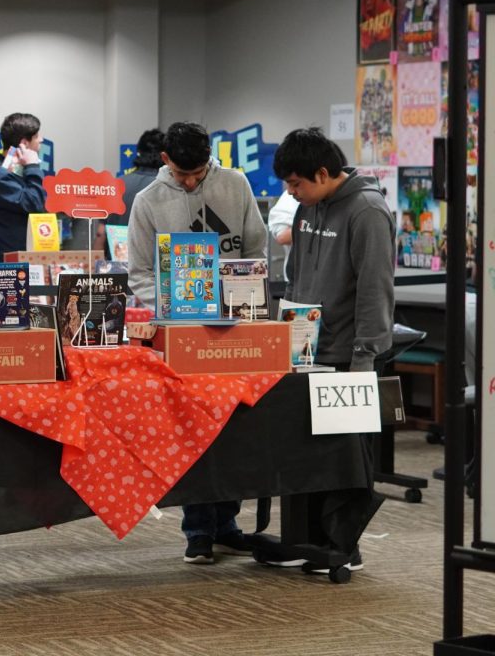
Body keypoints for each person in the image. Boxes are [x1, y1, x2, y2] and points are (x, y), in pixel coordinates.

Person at [125, 121, 268, 565]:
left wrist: (241, 295)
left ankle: (227, 523)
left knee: (235, 429)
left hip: (236, 330)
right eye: (183, 175)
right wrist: (176, 305)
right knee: (194, 429)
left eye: (199, 173)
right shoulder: (148, 201)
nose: (191, 182)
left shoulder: (236, 184)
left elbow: (257, 250)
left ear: (211, 158)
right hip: (182, 333)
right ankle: (198, 530)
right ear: (166, 160)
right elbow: (140, 274)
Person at [272, 127, 395, 574]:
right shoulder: (309, 209)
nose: (292, 193)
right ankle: (306, 541)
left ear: (322, 173)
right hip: (305, 350)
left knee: (343, 458)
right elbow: (298, 275)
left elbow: (374, 289)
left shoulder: (367, 211)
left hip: (349, 354)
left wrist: (365, 358)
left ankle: (345, 546)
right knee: (306, 451)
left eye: (296, 184)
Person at [0, 113, 46, 260]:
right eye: (36, 136)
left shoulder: (20, 172)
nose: (41, 139)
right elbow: (33, 204)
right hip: (8, 270)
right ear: (24, 143)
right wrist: (33, 166)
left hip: (26, 261)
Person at [106, 128, 164, 227]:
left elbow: (101, 231)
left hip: (117, 242)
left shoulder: (116, 184)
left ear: (138, 152)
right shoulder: (169, 186)